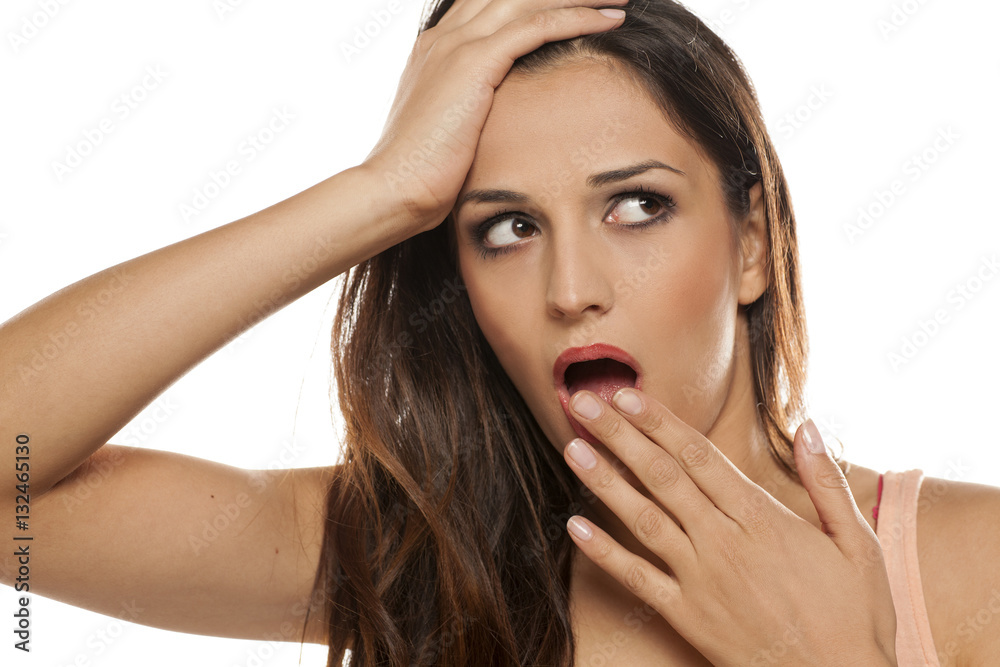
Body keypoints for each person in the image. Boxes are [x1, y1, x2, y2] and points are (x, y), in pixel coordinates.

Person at [1, 1, 998, 666]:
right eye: (509, 228)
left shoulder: (971, 565)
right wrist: (380, 193)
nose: (571, 290)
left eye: (637, 206)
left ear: (753, 246)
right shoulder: (411, 561)